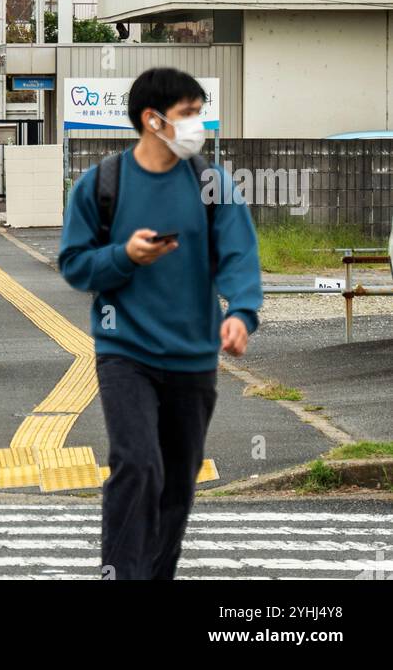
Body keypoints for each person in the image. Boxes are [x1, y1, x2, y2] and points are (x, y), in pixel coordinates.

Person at [58, 66, 262, 582]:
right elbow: (76, 264)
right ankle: (121, 574)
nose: (199, 126)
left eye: (200, 113)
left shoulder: (212, 184)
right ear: (152, 120)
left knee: (176, 482)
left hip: (194, 358)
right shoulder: (102, 184)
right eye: (188, 115)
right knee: (138, 463)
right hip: (125, 353)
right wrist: (124, 256)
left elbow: (239, 257)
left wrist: (240, 313)